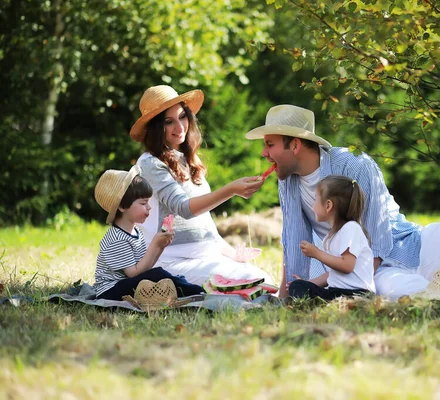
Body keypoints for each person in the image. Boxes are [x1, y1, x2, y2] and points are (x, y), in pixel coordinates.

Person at [245, 104, 440, 299]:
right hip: (365, 271)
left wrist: (343, 282)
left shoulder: (355, 165)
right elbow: (293, 237)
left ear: (294, 144)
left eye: (269, 145)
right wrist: (287, 295)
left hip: (402, 248)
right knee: (394, 290)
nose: (264, 153)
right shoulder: (288, 181)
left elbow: (379, 239)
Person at [130, 85, 272, 286]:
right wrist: (231, 190)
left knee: (264, 280)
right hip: (171, 260)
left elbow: (204, 222)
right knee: (249, 282)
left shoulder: (189, 160)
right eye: (168, 122)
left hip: (206, 255)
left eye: (182, 117)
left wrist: (232, 254)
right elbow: (184, 208)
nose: (179, 127)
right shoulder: (150, 163)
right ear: (154, 128)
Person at [93, 167, 205, 300]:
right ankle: (195, 291)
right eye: (143, 203)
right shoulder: (117, 239)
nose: (149, 207)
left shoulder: (135, 231)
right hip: (110, 291)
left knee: (159, 275)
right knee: (157, 275)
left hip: (125, 284)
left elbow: (144, 268)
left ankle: (188, 289)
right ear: (122, 207)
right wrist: (154, 245)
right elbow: (134, 274)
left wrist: (160, 247)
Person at [289, 175, 375, 300]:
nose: (313, 206)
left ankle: (315, 306)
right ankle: (315, 305)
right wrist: (309, 283)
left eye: (315, 200)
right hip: (338, 293)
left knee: (301, 289)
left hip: (357, 294)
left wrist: (316, 253)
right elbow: (334, 274)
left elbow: (347, 266)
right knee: (298, 286)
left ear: (328, 205)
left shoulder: (351, 228)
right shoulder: (333, 235)